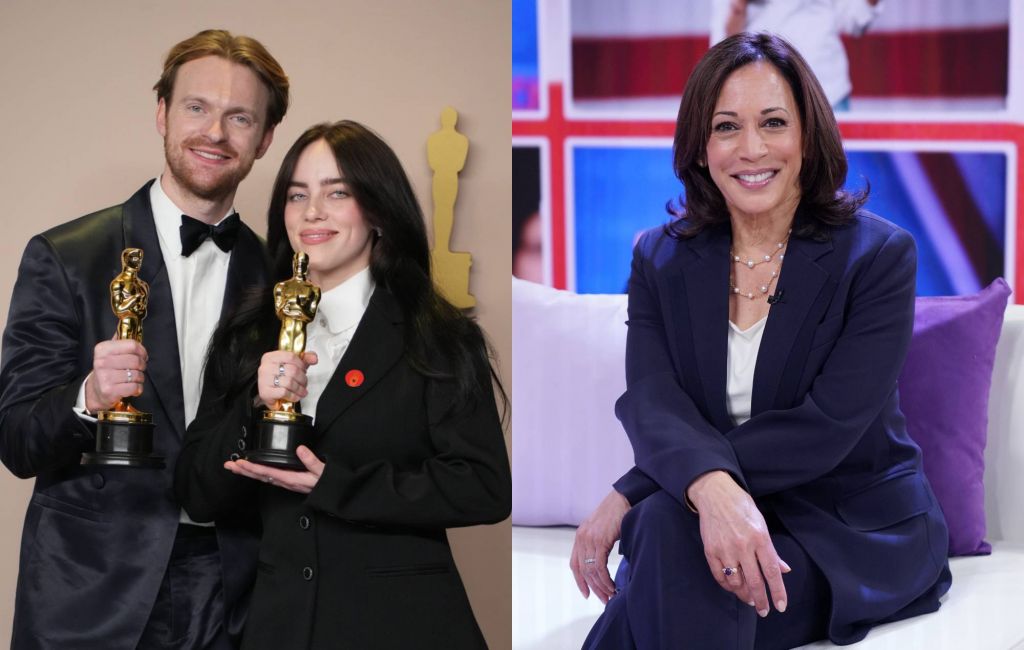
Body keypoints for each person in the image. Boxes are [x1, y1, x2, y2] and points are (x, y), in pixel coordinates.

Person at [572, 33, 951, 649]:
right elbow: (652, 398)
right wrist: (709, 493)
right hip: (715, 518)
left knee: (658, 537)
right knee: (664, 530)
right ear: (700, 145)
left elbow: (827, 425)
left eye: (773, 123)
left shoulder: (879, 257)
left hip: (847, 529)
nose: (751, 149)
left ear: (807, 136)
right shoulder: (660, 258)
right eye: (726, 127)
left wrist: (642, 486)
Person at [174, 121, 512, 650]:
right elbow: (196, 490)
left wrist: (334, 484)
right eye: (297, 195)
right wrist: (252, 406)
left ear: (377, 211)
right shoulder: (247, 332)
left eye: (338, 193)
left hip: (405, 627)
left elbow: (483, 488)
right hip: (279, 628)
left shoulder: (439, 335)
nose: (313, 212)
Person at [0, 29, 288, 649]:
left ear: (264, 139)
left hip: (234, 592)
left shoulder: (281, 281)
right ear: (161, 112)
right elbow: (17, 440)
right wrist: (87, 397)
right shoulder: (64, 256)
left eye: (239, 117)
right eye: (196, 107)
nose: (214, 132)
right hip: (89, 591)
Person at [711, 0, 882, 110]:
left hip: (827, 93)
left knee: (832, 166)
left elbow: (857, 19)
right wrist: (739, 5)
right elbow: (723, 46)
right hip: (761, 98)